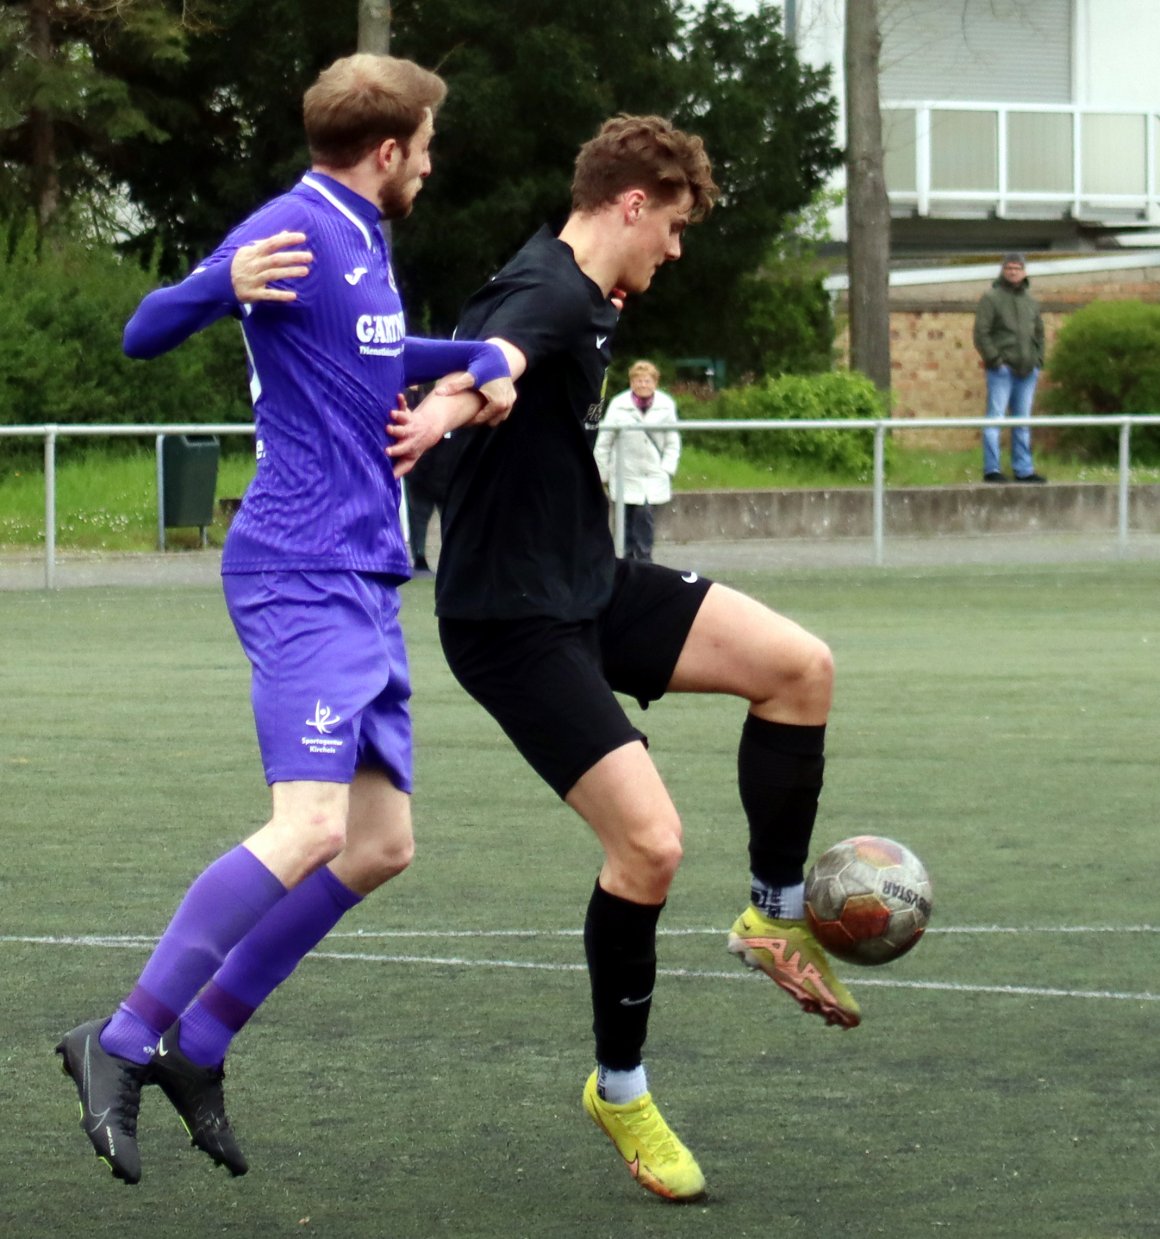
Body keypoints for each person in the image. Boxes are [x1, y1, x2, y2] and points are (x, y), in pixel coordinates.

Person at [55, 53, 515, 1187]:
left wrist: (484, 357)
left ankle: (198, 1043)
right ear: (391, 149)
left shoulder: (364, 237)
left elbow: (370, 360)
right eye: (428, 146)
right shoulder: (293, 226)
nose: (431, 163)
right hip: (299, 566)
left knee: (377, 846)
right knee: (308, 827)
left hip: (361, 572)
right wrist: (219, 282)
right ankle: (116, 1041)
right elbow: (143, 333)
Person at [391, 114, 862, 1204]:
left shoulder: (589, 297)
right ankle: (620, 1087)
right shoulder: (548, 290)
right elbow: (497, 354)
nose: (678, 249)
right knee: (648, 848)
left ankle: (773, 913)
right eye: (678, 224)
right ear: (632, 203)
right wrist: (446, 409)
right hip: (510, 626)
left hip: (588, 586)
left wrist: (472, 396)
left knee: (799, 667)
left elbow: (507, 369)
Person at [593, 360, 680, 562]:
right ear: (632, 382)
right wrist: (603, 473)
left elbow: (672, 441)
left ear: (655, 383)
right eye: (638, 381)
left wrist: (667, 469)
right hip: (625, 473)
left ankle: (644, 561)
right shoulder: (619, 404)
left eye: (647, 381)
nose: (643, 385)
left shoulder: (665, 405)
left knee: (644, 516)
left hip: (652, 475)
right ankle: (624, 562)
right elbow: (604, 442)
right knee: (624, 523)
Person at [973, 252, 1047, 483]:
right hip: (1002, 370)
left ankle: (1023, 470)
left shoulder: (1031, 302)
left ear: (1024, 272)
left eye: (1017, 268)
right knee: (995, 419)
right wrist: (996, 360)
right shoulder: (991, 299)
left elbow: (1040, 334)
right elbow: (981, 333)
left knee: (1022, 421)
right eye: (1009, 268)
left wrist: (1038, 360)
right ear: (1003, 271)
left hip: (1028, 371)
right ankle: (992, 469)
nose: (1013, 272)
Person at [404, 429, 458, 575]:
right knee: (420, 520)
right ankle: (421, 558)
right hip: (426, 478)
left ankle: (431, 559)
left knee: (448, 523)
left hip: (440, 478)